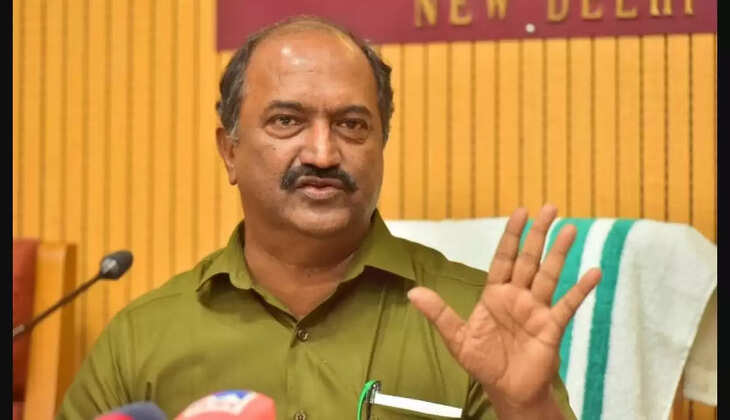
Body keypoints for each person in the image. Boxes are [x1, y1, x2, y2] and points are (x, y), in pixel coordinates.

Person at [57, 15, 601, 420]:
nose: (322, 153)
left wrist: (526, 408)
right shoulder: (143, 336)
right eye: (287, 121)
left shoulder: (473, 321)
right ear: (230, 150)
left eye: (351, 125)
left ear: (382, 144)